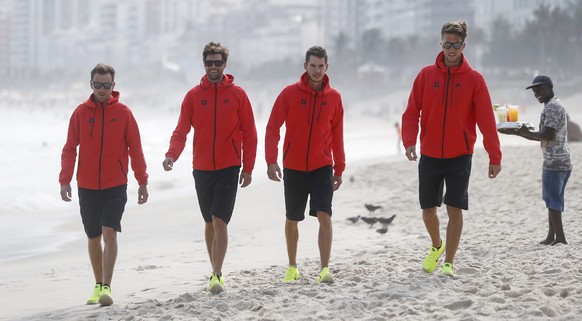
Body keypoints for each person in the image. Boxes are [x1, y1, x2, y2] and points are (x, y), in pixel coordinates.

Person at [401, 21, 502, 277]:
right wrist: (409, 140)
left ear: (463, 45)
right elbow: (412, 112)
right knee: (427, 211)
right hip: (431, 154)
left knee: (454, 208)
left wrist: (494, 155)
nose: (452, 49)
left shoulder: (475, 80)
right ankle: (437, 246)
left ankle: (449, 262)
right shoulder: (426, 75)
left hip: (460, 155)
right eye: (447, 44)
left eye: (456, 44)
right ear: (441, 44)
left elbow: (486, 122)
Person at [162, 42, 257, 293]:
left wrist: (248, 167)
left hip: (229, 166)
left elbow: (249, 133)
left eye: (218, 62)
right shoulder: (193, 96)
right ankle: (213, 267)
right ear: (204, 64)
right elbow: (181, 130)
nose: (213, 67)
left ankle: (217, 274)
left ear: (225, 64)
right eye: (209, 62)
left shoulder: (238, 94)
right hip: (202, 168)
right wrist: (172, 155)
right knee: (208, 222)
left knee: (220, 219)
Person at [59, 63, 149, 306]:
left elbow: (136, 149)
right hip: (87, 185)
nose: (101, 89)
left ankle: (107, 287)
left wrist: (142, 181)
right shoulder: (80, 113)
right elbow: (69, 149)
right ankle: (97, 285)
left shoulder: (124, 113)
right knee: (92, 236)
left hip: (115, 184)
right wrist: (64, 179)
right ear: (91, 85)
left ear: (113, 86)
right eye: (97, 84)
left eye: (106, 85)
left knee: (109, 232)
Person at [265, 46, 345, 284]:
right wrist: (271, 161)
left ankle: (324, 268)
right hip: (294, 166)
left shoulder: (334, 98)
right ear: (305, 66)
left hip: (322, 166)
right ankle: (292, 266)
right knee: (293, 218)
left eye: (321, 66)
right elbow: (272, 128)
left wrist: (339, 168)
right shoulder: (289, 94)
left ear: (326, 67)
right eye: (313, 66)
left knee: (324, 215)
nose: (317, 71)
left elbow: (338, 134)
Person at [498, 74, 571, 245]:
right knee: (552, 198)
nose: (536, 92)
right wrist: (517, 132)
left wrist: (523, 133)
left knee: (552, 199)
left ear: (549, 88)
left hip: (556, 161)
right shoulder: (552, 105)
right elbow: (543, 135)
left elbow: (548, 134)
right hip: (559, 159)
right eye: (534, 90)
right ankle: (551, 236)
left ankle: (560, 238)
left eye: (539, 88)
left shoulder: (552, 107)